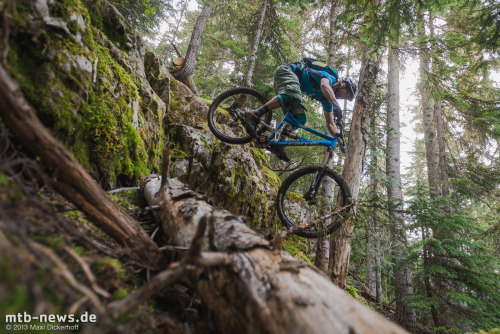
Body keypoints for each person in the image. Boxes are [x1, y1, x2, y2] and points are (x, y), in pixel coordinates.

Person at [244, 61, 357, 162]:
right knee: (293, 96)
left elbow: (330, 123)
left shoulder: (326, 100)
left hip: (291, 85)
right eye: (346, 95)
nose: (343, 99)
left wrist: (340, 140)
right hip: (286, 71)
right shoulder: (331, 78)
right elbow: (324, 85)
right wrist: (336, 105)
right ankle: (254, 114)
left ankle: (278, 143)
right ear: (343, 85)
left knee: (299, 118)